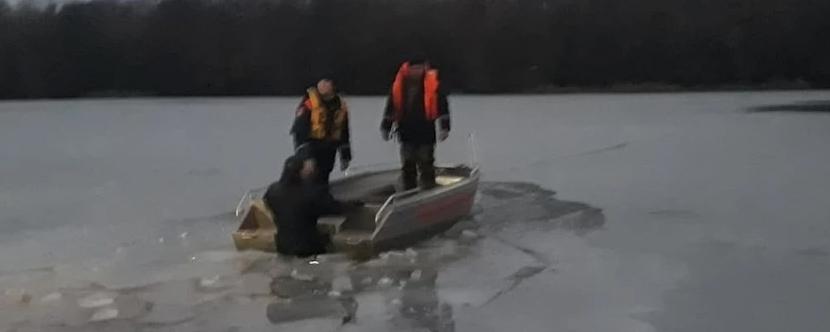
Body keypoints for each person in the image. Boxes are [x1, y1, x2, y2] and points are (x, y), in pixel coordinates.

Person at [380, 58, 450, 190]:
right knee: (408, 162)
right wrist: (386, 126)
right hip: (406, 130)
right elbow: (391, 107)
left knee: (426, 161)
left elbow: (443, 107)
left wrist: (445, 127)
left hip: (426, 130)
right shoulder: (399, 85)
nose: (416, 71)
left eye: (419, 68)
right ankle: (409, 189)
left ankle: (429, 188)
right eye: (413, 68)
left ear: (424, 67)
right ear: (408, 68)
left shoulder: (433, 84)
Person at [263, 155, 344, 257]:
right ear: (301, 172)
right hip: (309, 249)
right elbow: (334, 208)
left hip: (283, 248)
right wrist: (352, 205)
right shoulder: (311, 193)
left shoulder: (272, 191)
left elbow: (267, 203)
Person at [291, 79, 352, 186]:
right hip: (311, 148)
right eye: (323, 83)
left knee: (323, 180)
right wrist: (305, 157)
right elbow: (299, 131)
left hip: (329, 151)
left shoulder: (340, 107)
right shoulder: (309, 104)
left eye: (328, 83)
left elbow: (344, 133)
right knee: (309, 181)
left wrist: (345, 155)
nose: (325, 86)